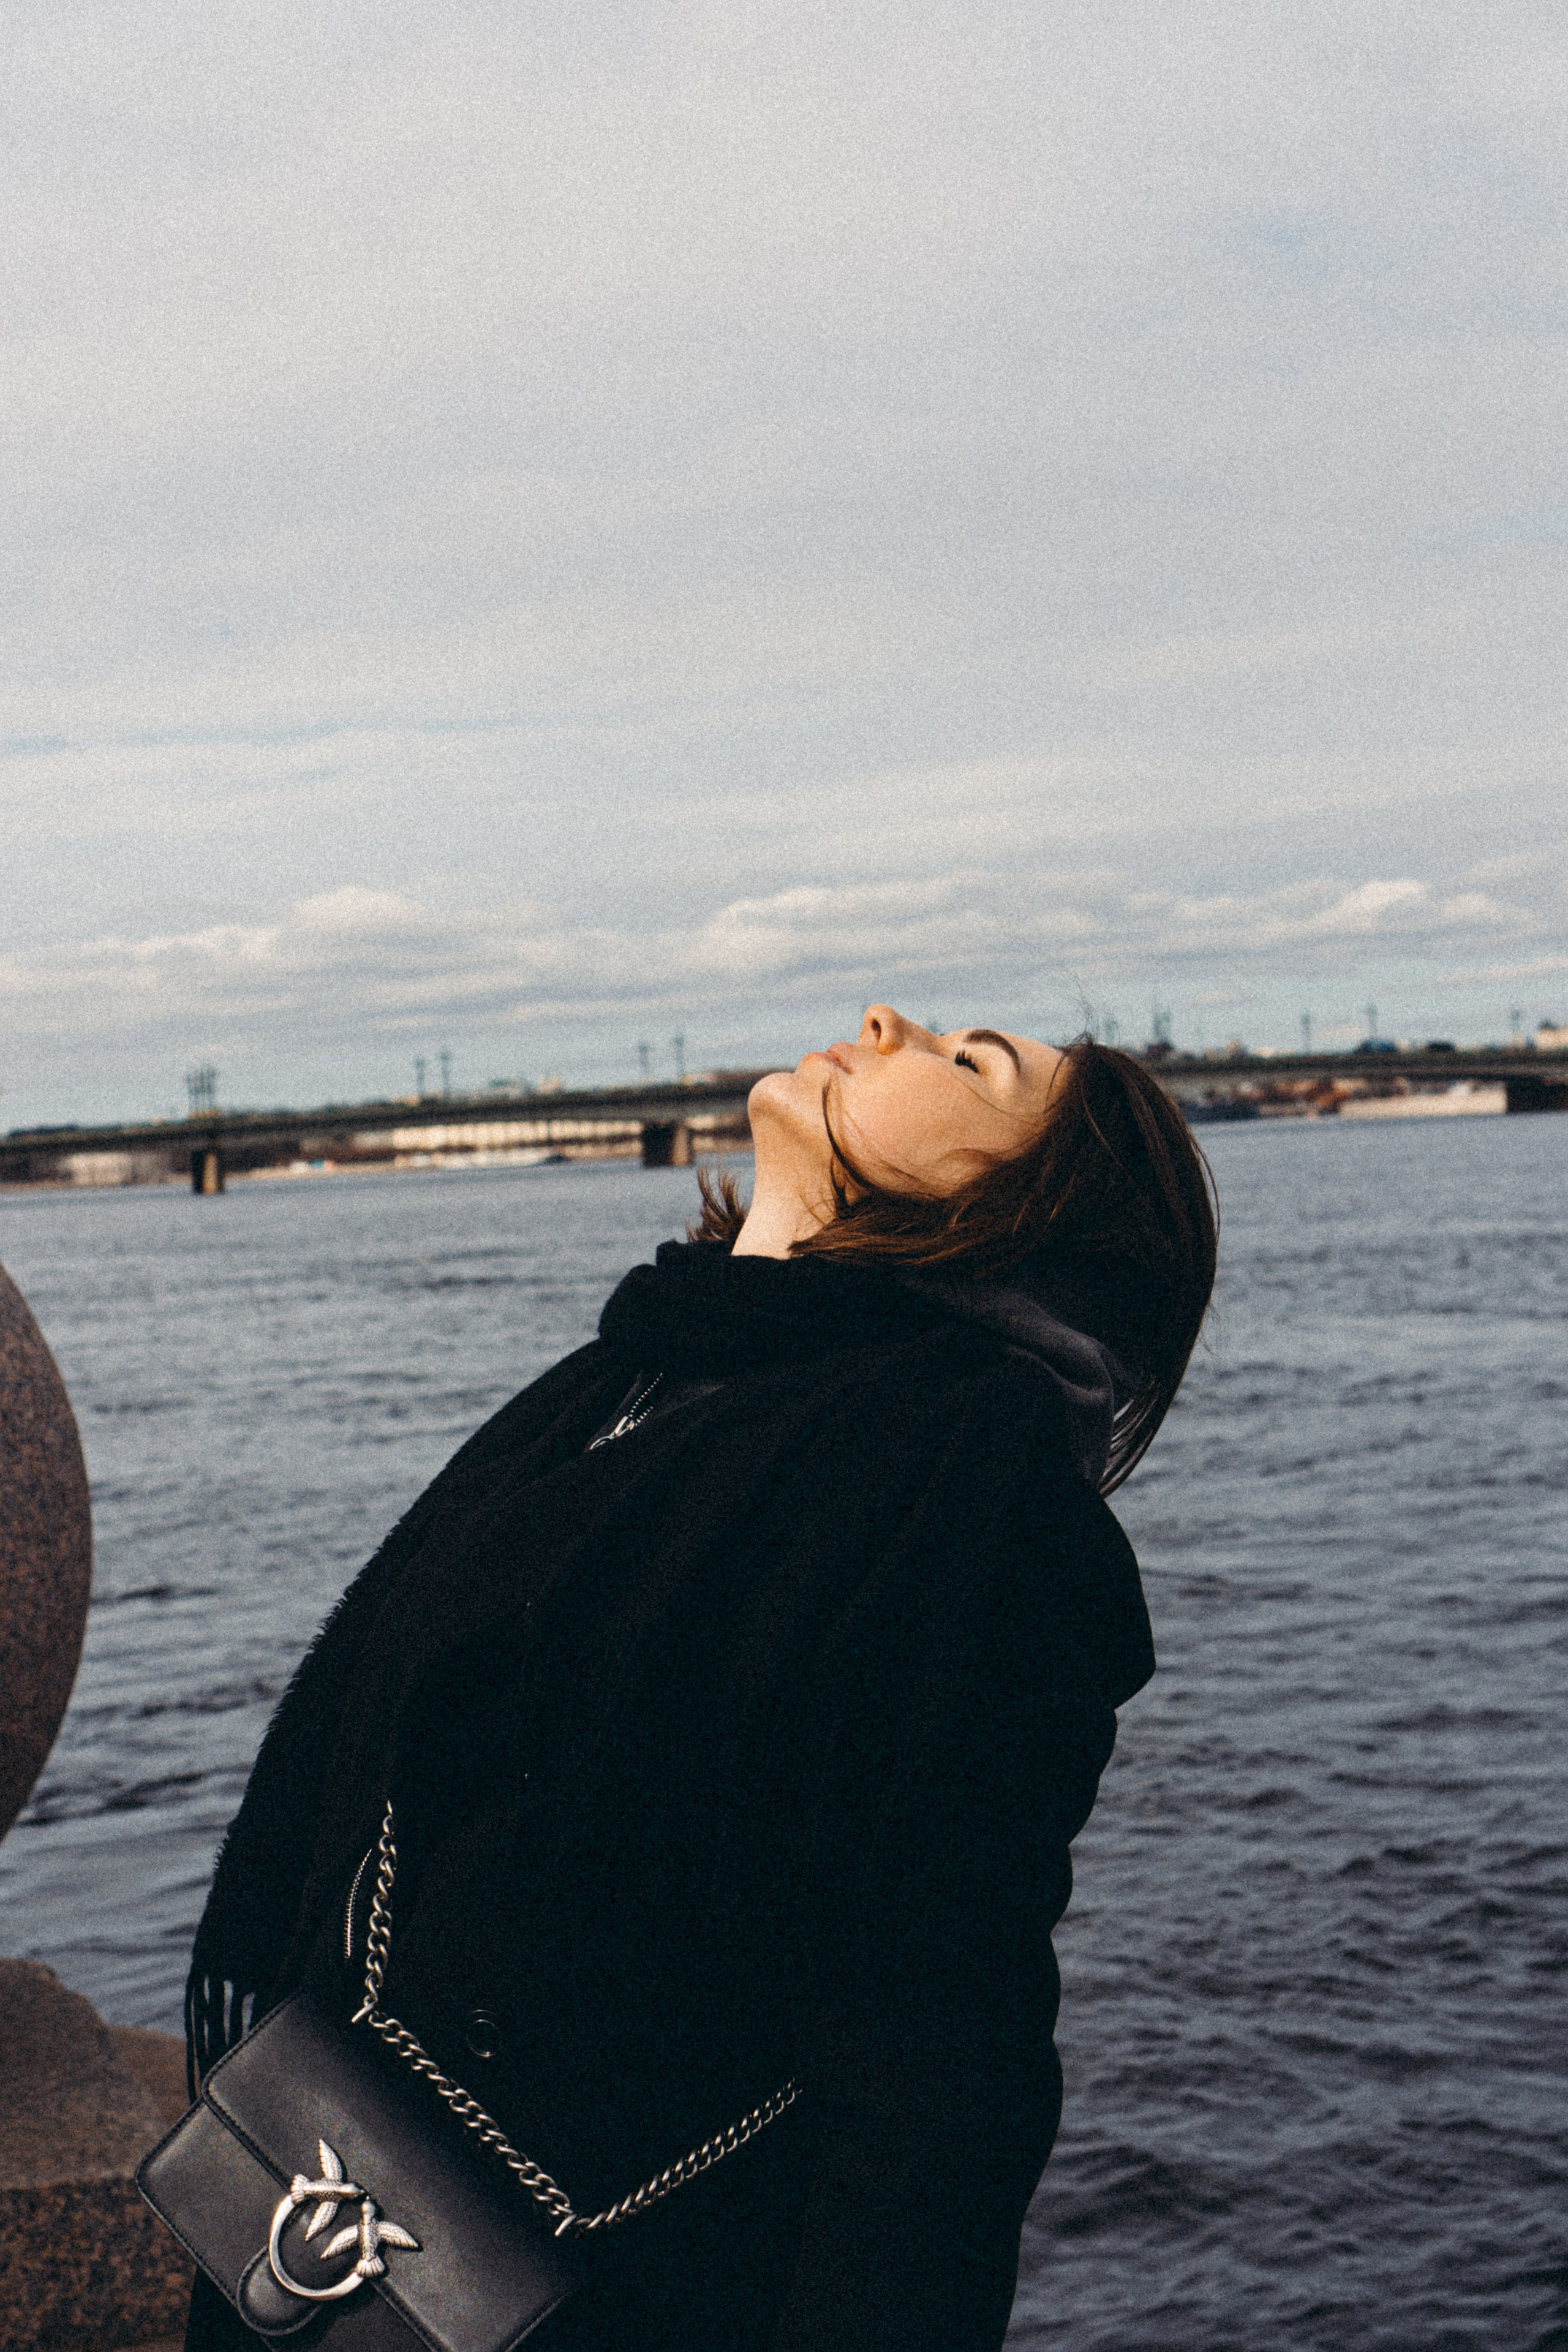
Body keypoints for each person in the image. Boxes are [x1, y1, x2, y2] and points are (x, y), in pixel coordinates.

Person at [183, 1004, 1217, 2352]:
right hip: (322, 2210)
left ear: (1021, 1210)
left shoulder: (971, 1498)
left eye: (972, 1065)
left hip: (591, 2299)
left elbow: (935, 2057)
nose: (884, 1020)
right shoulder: (640, 1373)